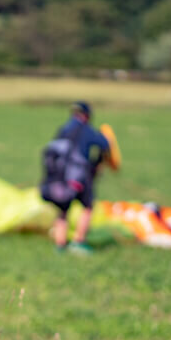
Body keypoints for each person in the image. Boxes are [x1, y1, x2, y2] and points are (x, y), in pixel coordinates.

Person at [49, 101, 110, 255]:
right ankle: (78, 241)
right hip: (79, 177)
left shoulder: (64, 129)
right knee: (88, 207)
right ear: (87, 115)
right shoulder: (87, 130)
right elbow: (104, 144)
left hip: (60, 176)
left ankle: (60, 245)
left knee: (63, 209)